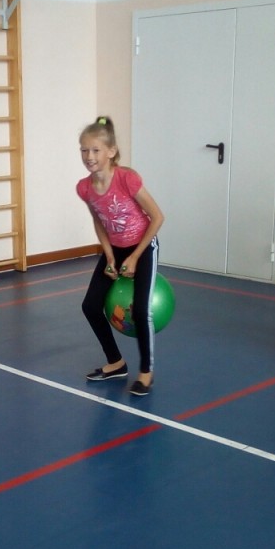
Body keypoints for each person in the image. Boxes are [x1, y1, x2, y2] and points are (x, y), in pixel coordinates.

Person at [77, 116, 165, 396]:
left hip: (143, 245)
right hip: (114, 248)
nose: (89, 156)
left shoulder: (127, 178)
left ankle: (146, 372)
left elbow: (158, 217)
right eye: (84, 150)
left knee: (140, 310)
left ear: (111, 151)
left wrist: (136, 256)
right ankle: (116, 362)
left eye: (95, 150)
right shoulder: (84, 188)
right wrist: (109, 256)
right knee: (91, 306)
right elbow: (98, 221)